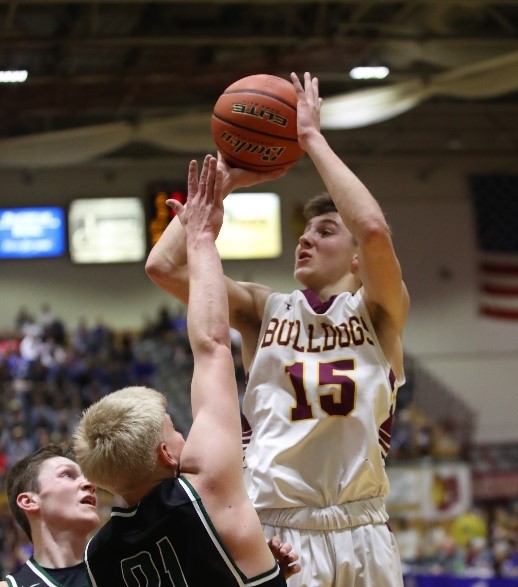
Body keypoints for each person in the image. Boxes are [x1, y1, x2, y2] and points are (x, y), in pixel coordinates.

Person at [145, 71, 410, 586]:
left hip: (362, 527)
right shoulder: (263, 309)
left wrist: (310, 138)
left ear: (357, 259)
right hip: (276, 530)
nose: (305, 241)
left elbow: (374, 229)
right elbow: (163, 266)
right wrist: (231, 176)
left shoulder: (379, 315)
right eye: (304, 232)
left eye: (325, 231)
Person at [72, 154, 299, 586]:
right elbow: (212, 345)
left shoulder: (98, 556)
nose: (183, 435)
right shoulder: (206, 489)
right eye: (173, 428)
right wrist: (201, 238)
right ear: (166, 454)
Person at [1, 443, 99, 587]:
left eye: (87, 477)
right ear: (29, 501)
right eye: (67, 475)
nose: (90, 484)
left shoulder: (123, 565)